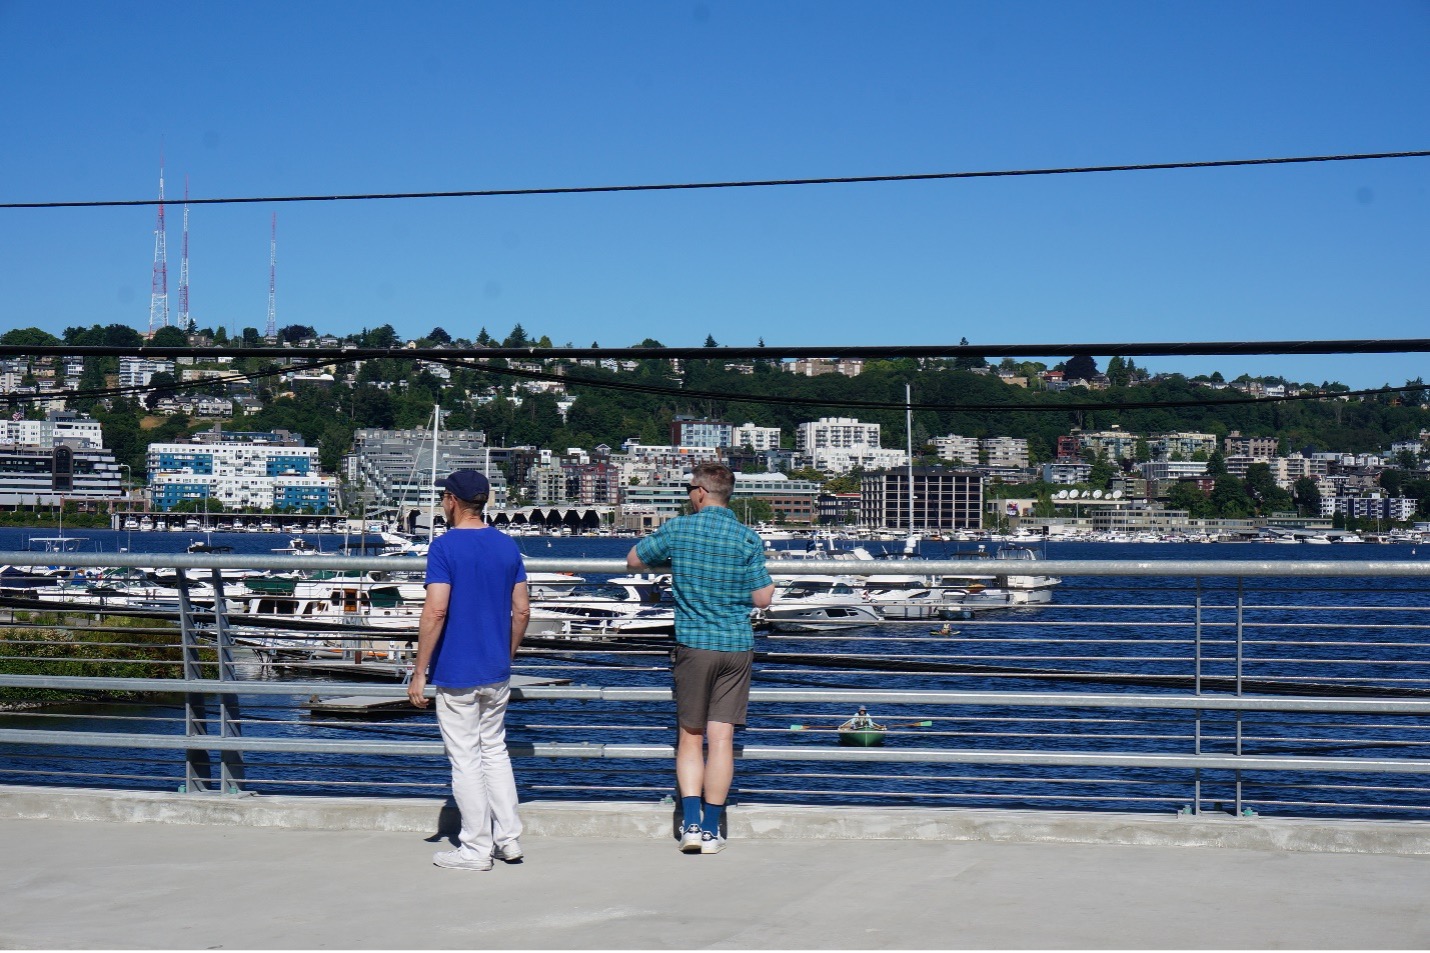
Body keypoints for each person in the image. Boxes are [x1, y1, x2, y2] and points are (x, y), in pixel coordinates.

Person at [627, 463, 775, 855]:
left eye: (690, 487)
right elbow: (763, 598)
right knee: (721, 738)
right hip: (736, 645)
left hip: (693, 645)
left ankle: (690, 825)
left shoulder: (679, 529)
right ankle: (713, 829)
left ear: (700, 493)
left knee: (690, 737)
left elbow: (634, 560)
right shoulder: (747, 537)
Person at [407, 469, 530, 871]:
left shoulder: (444, 548)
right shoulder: (507, 547)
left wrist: (420, 671)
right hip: (496, 669)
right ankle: (507, 839)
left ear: (450, 500)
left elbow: (436, 609)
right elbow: (523, 610)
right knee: (494, 750)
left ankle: (475, 849)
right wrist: (505, 654)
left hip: (457, 670)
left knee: (465, 759)